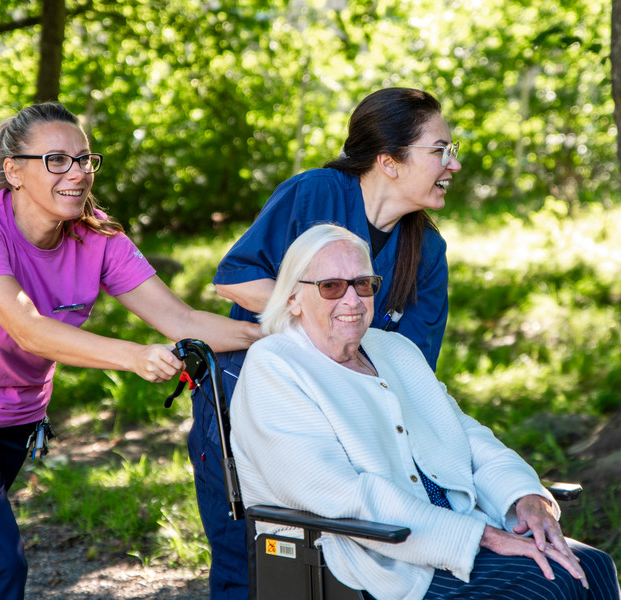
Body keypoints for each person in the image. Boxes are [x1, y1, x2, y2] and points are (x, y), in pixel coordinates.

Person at [0, 101, 262, 600]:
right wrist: (133, 355)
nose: (77, 173)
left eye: (84, 159)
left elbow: (181, 320)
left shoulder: (98, 234)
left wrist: (278, 335)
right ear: (13, 171)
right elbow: (27, 329)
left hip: (14, 415)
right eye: (57, 160)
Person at [230, 224, 621, 600]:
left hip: (457, 528)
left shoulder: (393, 350)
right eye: (331, 286)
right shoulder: (276, 366)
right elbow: (345, 494)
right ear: (292, 298)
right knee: (550, 583)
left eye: (362, 284)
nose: (352, 300)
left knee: (594, 565)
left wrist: (523, 495)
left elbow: (465, 436)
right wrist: (480, 537)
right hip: (374, 557)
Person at [190, 87, 461, 599]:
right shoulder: (315, 193)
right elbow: (235, 277)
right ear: (390, 161)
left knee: (332, 574)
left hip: (341, 432)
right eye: (440, 150)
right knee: (249, 569)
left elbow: (409, 372)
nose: (454, 164)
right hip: (246, 407)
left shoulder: (427, 250)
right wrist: (320, 329)